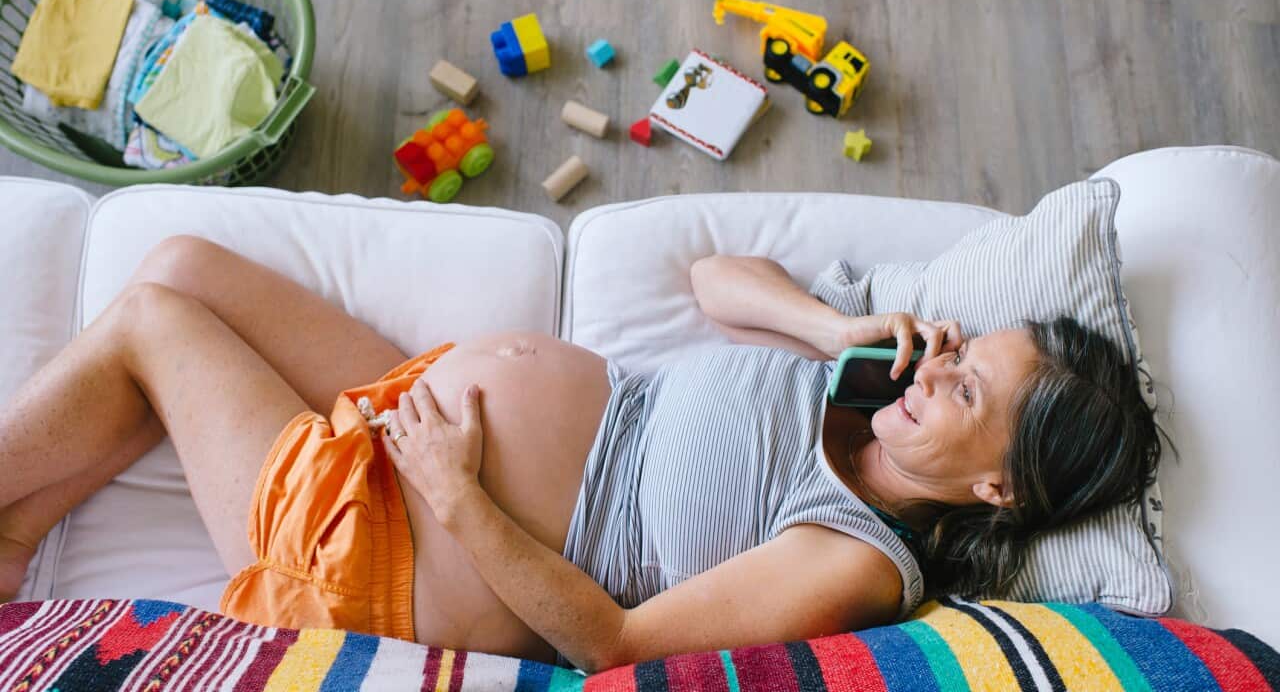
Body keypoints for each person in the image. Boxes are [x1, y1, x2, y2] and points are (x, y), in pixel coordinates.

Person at [0, 237, 1162, 673]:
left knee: (153, 326)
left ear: (996, 486)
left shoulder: (853, 557)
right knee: (185, 268)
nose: (931, 370)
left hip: (408, 537)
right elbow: (714, 276)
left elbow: (609, 646)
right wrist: (832, 327)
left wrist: (457, 495)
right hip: (422, 411)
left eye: (963, 388)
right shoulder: (864, 380)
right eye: (955, 350)